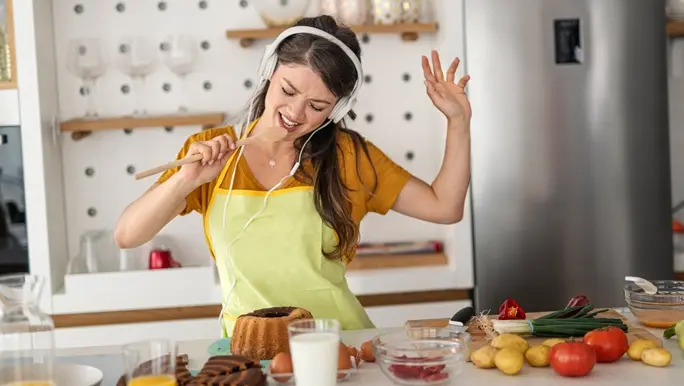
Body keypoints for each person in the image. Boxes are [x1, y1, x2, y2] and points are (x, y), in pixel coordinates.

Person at [114, 15, 472, 337]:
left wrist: (458, 121)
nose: (295, 112)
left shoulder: (349, 156)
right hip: (249, 353)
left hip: (341, 346)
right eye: (288, 91)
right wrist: (186, 180)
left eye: (317, 106)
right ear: (269, 71)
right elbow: (128, 235)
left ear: (338, 109)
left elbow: (445, 207)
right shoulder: (209, 150)